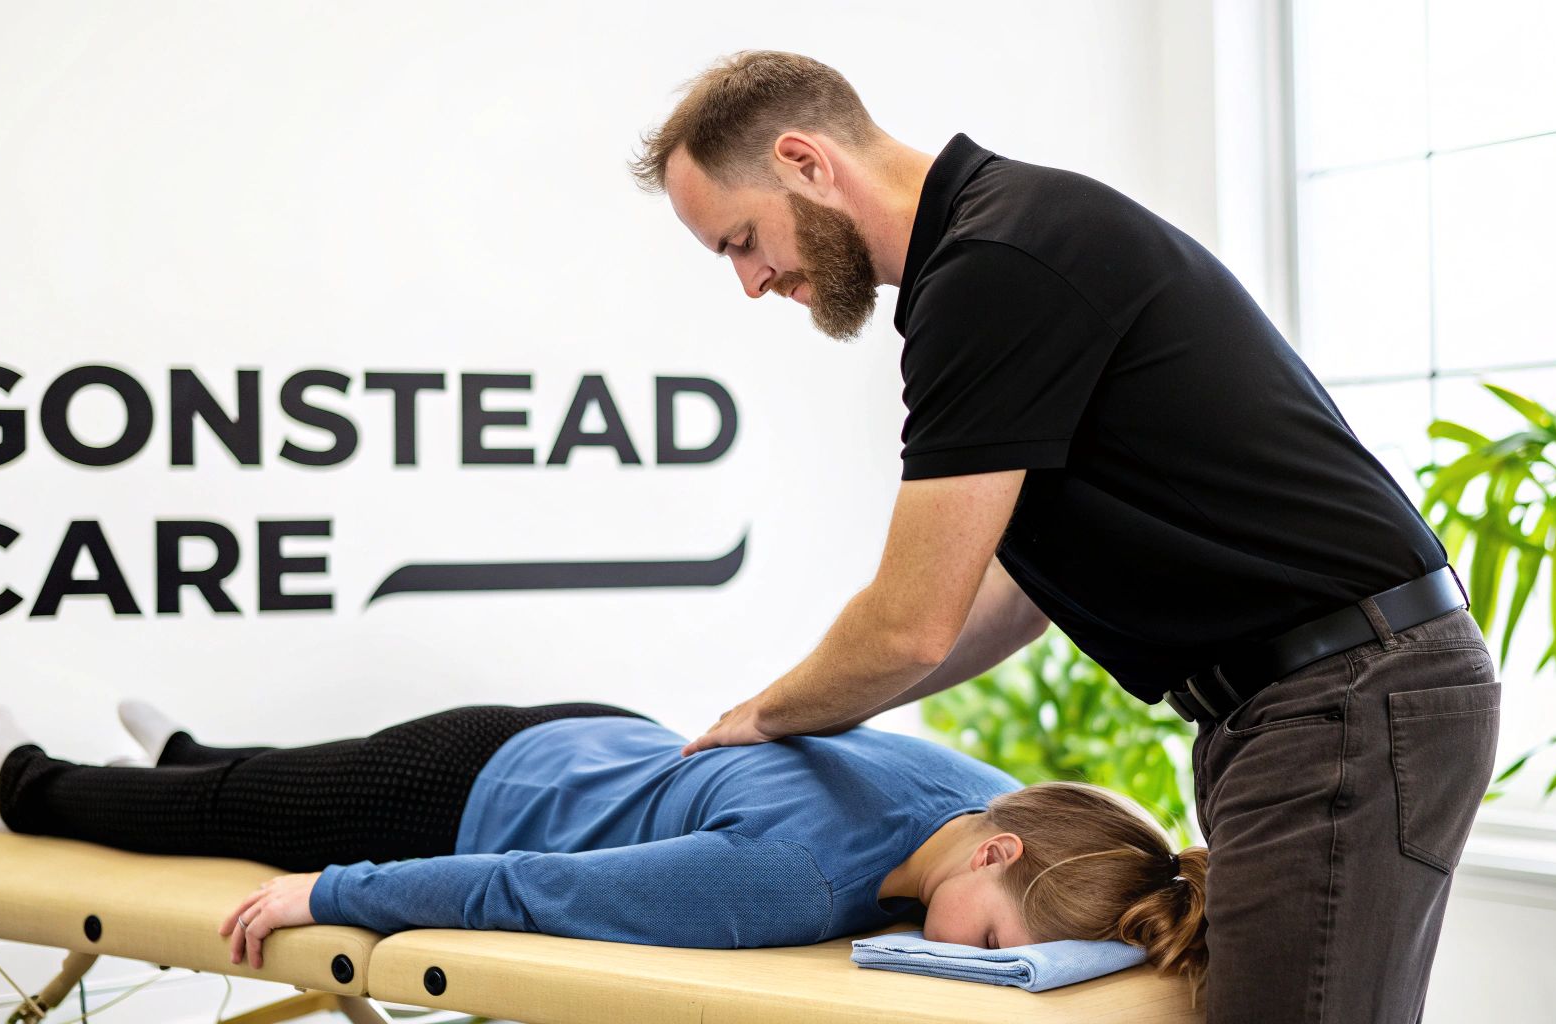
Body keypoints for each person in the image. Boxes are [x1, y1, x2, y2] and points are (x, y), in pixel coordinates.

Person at [630, 51, 1500, 1022]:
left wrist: (760, 716)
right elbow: (1002, 606)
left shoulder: (994, 264)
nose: (752, 281)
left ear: (803, 160)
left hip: (1342, 693)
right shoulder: (1001, 248)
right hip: (1296, 705)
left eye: (740, 241)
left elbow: (908, 622)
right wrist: (819, 717)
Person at [0, 699, 1207, 979]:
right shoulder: (787, 883)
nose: (976, 961)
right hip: (468, 793)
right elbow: (525, 888)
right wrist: (327, 893)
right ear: (993, 857)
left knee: (264, 781)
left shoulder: (980, 789)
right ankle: (30, 781)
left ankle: (188, 748)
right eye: (991, 944)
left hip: (589, 728)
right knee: (222, 824)